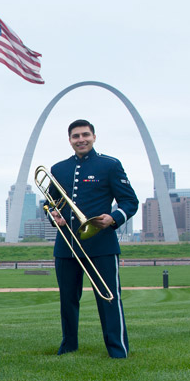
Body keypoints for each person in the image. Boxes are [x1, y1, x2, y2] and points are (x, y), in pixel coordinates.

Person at [48, 119, 138, 358]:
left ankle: (117, 349)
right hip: (67, 245)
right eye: (75, 136)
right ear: (69, 140)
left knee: (109, 298)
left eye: (85, 135)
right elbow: (49, 202)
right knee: (68, 298)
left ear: (94, 137)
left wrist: (114, 218)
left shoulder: (110, 165)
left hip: (102, 244)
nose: (81, 139)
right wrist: (52, 215)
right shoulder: (58, 169)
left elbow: (130, 201)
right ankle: (69, 345)